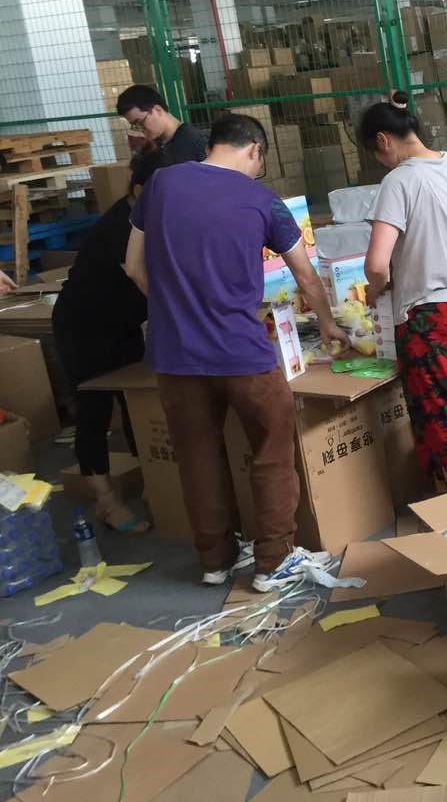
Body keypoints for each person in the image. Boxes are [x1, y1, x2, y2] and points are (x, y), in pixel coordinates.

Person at [124, 114, 346, 592]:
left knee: (197, 456)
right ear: (254, 151)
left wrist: (174, 308)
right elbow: (306, 276)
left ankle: (215, 559)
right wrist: (328, 323)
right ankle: (274, 560)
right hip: (242, 353)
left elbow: (133, 265)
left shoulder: (160, 185)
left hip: (175, 356)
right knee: (271, 450)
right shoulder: (262, 200)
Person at [359, 92, 447, 489]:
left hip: (429, 316)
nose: (382, 161)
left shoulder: (398, 181)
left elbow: (376, 264)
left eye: (376, 153)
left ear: (383, 140)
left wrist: (376, 289)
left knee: (440, 411)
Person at [52, 151, 162, 533]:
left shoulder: (150, 218)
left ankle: (154, 485)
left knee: (136, 402)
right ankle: (107, 502)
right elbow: (142, 278)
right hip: (83, 326)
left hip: (123, 324)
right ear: (139, 191)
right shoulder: (121, 227)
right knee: (93, 410)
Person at [116, 85, 208, 166]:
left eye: (140, 122)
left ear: (158, 110)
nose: (140, 129)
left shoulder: (196, 143)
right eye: (135, 125)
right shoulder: (152, 149)